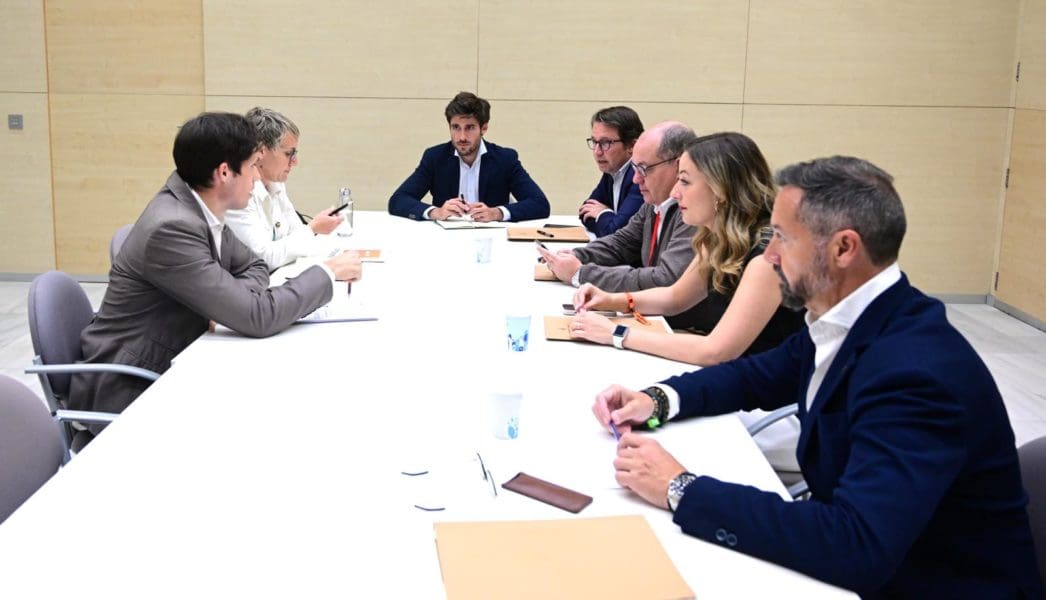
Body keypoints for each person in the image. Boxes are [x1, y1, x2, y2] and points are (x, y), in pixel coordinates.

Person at [591, 156, 1042, 597]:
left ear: (843, 249)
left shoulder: (915, 372)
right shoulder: (851, 317)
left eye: (782, 238)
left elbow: (855, 545)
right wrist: (657, 398)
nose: (768, 255)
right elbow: (753, 377)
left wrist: (680, 488)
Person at [71, 112, 362, 425]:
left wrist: (234, 301)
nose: (256, 179)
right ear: (224, 172)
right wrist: (328, 273)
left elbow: (253, 264)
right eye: (252, 166)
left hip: (177, 358)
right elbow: (258, 316)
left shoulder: (200, 207)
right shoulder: (172, 227)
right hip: (130, 387)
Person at [569, 132, 803, 363]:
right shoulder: (716, 237)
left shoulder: (768, 257)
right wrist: (610, 300)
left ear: (720, 190)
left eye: (684, 181)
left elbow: (715, 352)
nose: (674, 193)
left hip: (770, 384)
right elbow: (674, 298)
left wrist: (616, 333)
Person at [538, 122, 701, 328]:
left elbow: (666, 280)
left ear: (678, 166)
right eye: (634, 168)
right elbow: (621, 242)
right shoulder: (653, 204)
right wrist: (576, 256)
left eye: (644, 169)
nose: (636, 179)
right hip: (657, 319)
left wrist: (581, 274)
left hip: (687, 329)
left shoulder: (695, 213)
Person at [388, 92, 549, 222]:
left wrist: (497, 213)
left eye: (470, 128)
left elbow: (540, 203)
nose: (462, 137)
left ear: (483, 128)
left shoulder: (505, 159)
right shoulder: (435, 157)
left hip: (491, 239)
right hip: (445, 238)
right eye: (456, 127)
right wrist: (435, 212)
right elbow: (398, 200)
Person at [225, 107, 344, 271]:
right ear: (261, 151)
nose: (295, 162)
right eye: (289, 154)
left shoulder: (276, 183)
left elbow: (296, 232)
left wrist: (310, 231)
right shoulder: (237, 193)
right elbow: (263, 258)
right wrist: (313, 229)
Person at [578, 106, 644, 237]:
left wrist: (603, 214)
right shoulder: (612, 170)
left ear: (632, 146)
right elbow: (585, 212)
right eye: (594, 142)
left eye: (605, 143)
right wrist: (610, 219)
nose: (597, 152)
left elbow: (617, 234)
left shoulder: (641, 177)